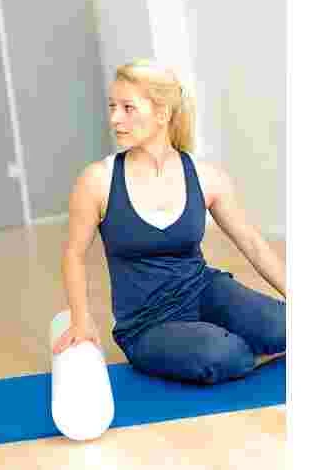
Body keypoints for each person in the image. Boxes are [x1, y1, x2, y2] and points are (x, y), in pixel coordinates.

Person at [52, 59, 286, 385]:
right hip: (147, 323)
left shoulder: (205, 176)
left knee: (286, 327)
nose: (115, 118)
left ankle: (232, 341)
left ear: (162, 114)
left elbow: (252, 243)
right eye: (112, 107)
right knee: (220, 356)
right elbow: (73, 254)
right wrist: (81, 319)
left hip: (205, 291)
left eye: (127, 108)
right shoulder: (97, 181)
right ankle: (227, 346)